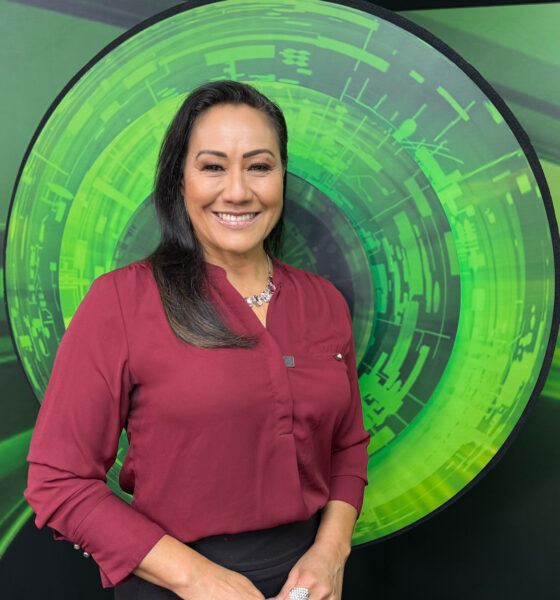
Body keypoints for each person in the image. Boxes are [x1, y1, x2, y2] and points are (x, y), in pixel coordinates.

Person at [24, 80, 370, 600]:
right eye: (212, 167)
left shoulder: (324, 302)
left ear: (282, 175)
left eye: (259, 166)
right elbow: (58, 482)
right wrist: (199, 579)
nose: (238, 191)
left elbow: (347, 446)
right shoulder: (120, 301)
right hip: (170, 584)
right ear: (179, 180)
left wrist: (330, 554)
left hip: (308, 586)